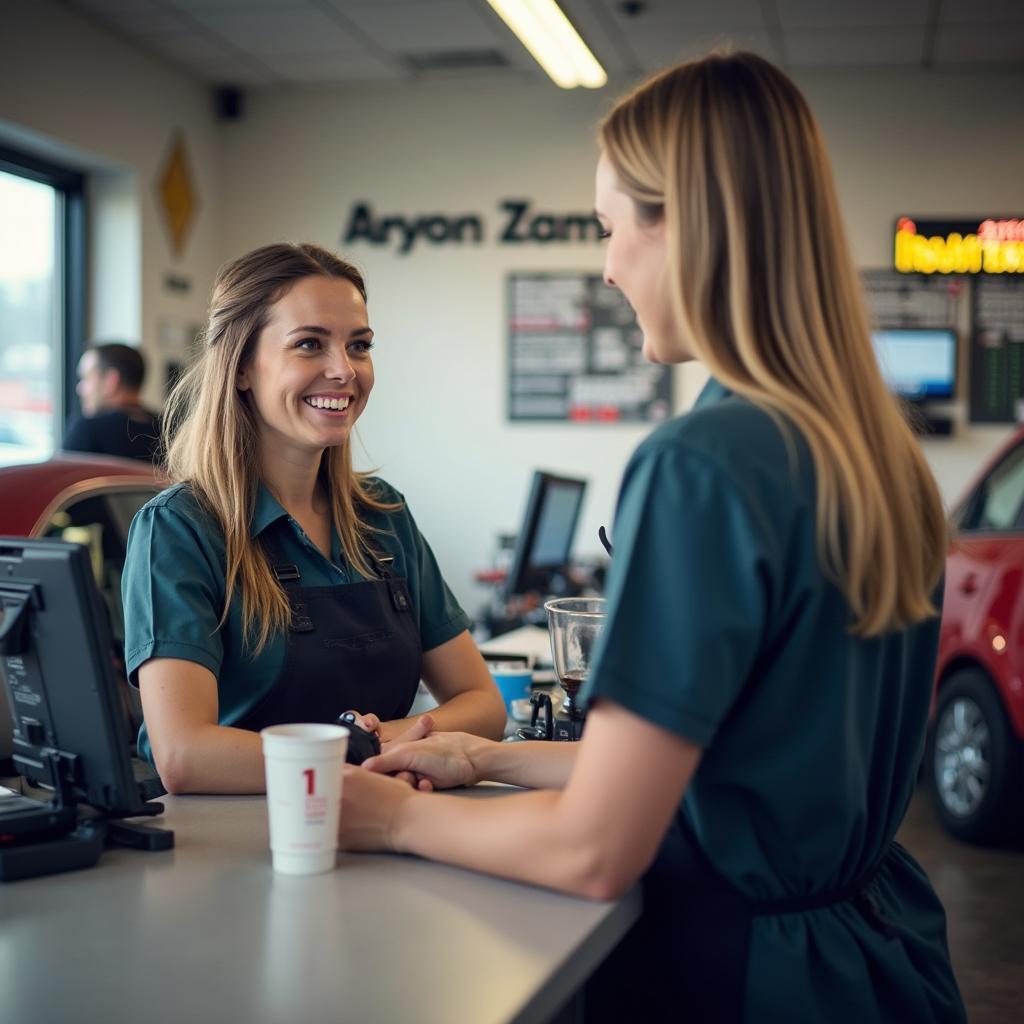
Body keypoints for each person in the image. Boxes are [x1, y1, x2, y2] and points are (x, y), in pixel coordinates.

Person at [338, 52, 967, 1023]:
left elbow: (594, 849)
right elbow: (739, 769)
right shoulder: (875, 452)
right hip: (867, 957)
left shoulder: (703, 462)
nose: (606, 264)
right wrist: (487, 759)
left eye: (609, 226)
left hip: (742, 978)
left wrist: (398, 817)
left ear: (689, 225)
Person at [121, 243, 507, 794]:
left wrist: (374, 744)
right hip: (231, 848)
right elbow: (185, 754)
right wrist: (354, 750)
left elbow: (483, 706)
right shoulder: (181, 530)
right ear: (242, 368)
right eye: (309, 344)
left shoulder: (385, 517)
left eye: (359, 346)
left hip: (379, 823)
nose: (343, 370)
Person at [63, 342, 161, 461]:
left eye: (86, 378)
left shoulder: (86, 431)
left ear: (111, 380)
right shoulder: (169, 431)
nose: (79, 388)